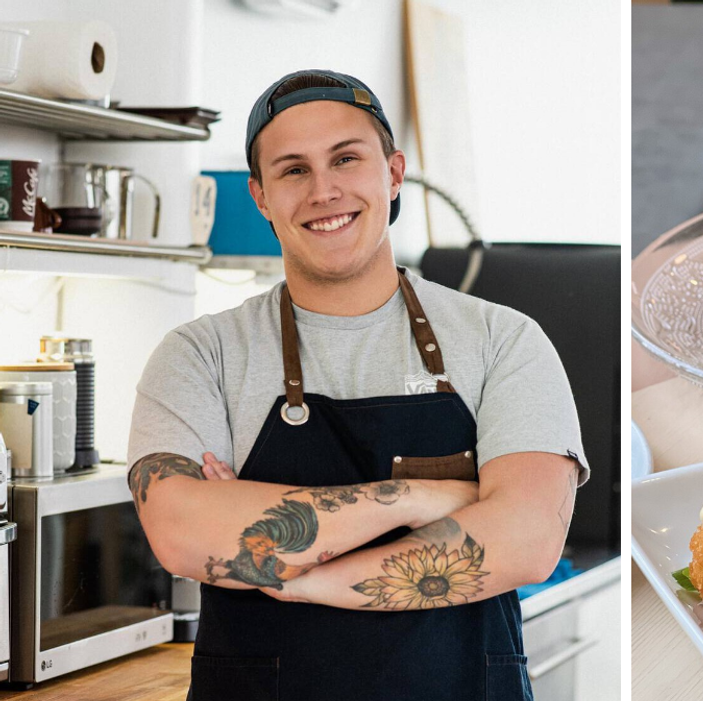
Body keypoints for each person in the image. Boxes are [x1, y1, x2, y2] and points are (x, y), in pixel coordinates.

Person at [126, 69, 586, 701]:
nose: (324, 190)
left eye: (346, 158)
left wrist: (297, 576)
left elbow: (527, 542)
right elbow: (183, 535)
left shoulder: (503, 340)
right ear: (261, 197)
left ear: (393, 174)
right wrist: (416, 499)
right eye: (293, 170)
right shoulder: (199, 355)